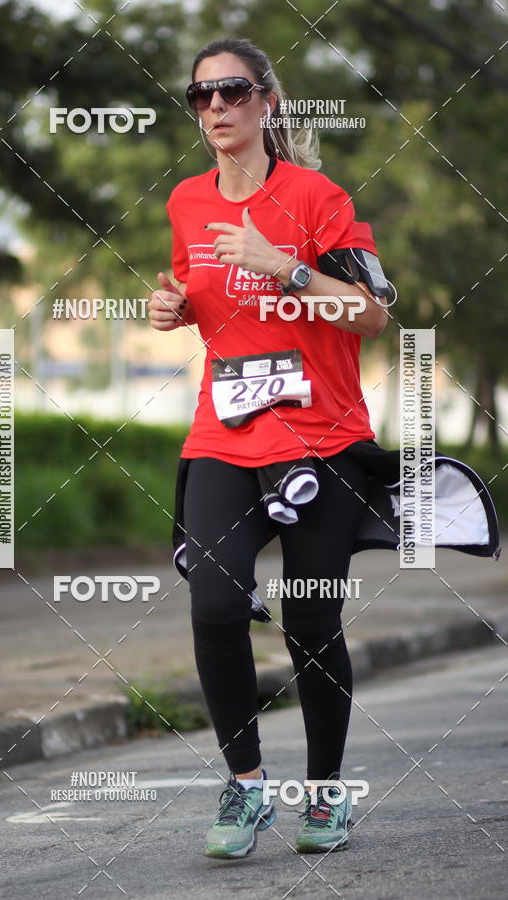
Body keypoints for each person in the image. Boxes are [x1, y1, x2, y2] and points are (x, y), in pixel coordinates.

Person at [149, 37, 389, 859]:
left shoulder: (320, 198)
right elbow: (203, 298)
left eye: (233, 91)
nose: (216, 106)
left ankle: (325, 794)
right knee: (215, 602)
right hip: (224, 431)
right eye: (202, 95)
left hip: (322, 439)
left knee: (311, 618)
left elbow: (370, 314)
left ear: (268, 101)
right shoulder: (187, 201)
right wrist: (175, 308)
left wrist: (284, 266)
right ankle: (246, 786)